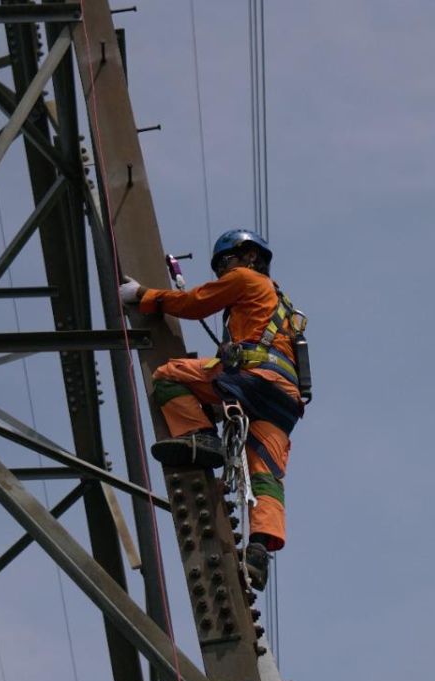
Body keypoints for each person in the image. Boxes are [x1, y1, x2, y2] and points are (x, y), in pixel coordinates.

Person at [119, 229, 307, 590]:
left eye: (226, 262)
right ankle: (259, 550)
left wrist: (142, 296)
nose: (223, 271)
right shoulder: (279, 304)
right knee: (265, 474)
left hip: (253, 381)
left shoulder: (245, 279)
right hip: (284, 402)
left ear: (249, 257)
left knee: (169, 376)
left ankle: (200, 437)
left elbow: (193, 304)